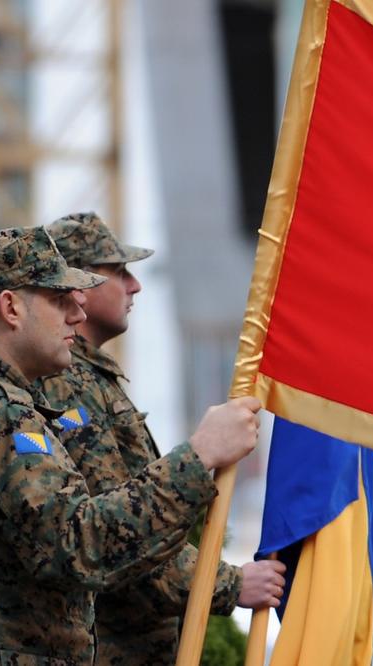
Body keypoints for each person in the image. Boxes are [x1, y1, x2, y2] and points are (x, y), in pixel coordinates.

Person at [0, 226, 262, 664]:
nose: (76, 315)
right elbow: (78, 545)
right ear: (10, 308)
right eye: (59, 299)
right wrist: (198, 458)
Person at [37, 212, 286, 664]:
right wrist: (229, 584)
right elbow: (114, 535)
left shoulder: (92, 380)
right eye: (119, 271)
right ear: (79, 286)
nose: (135, 285)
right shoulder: (65, 386)